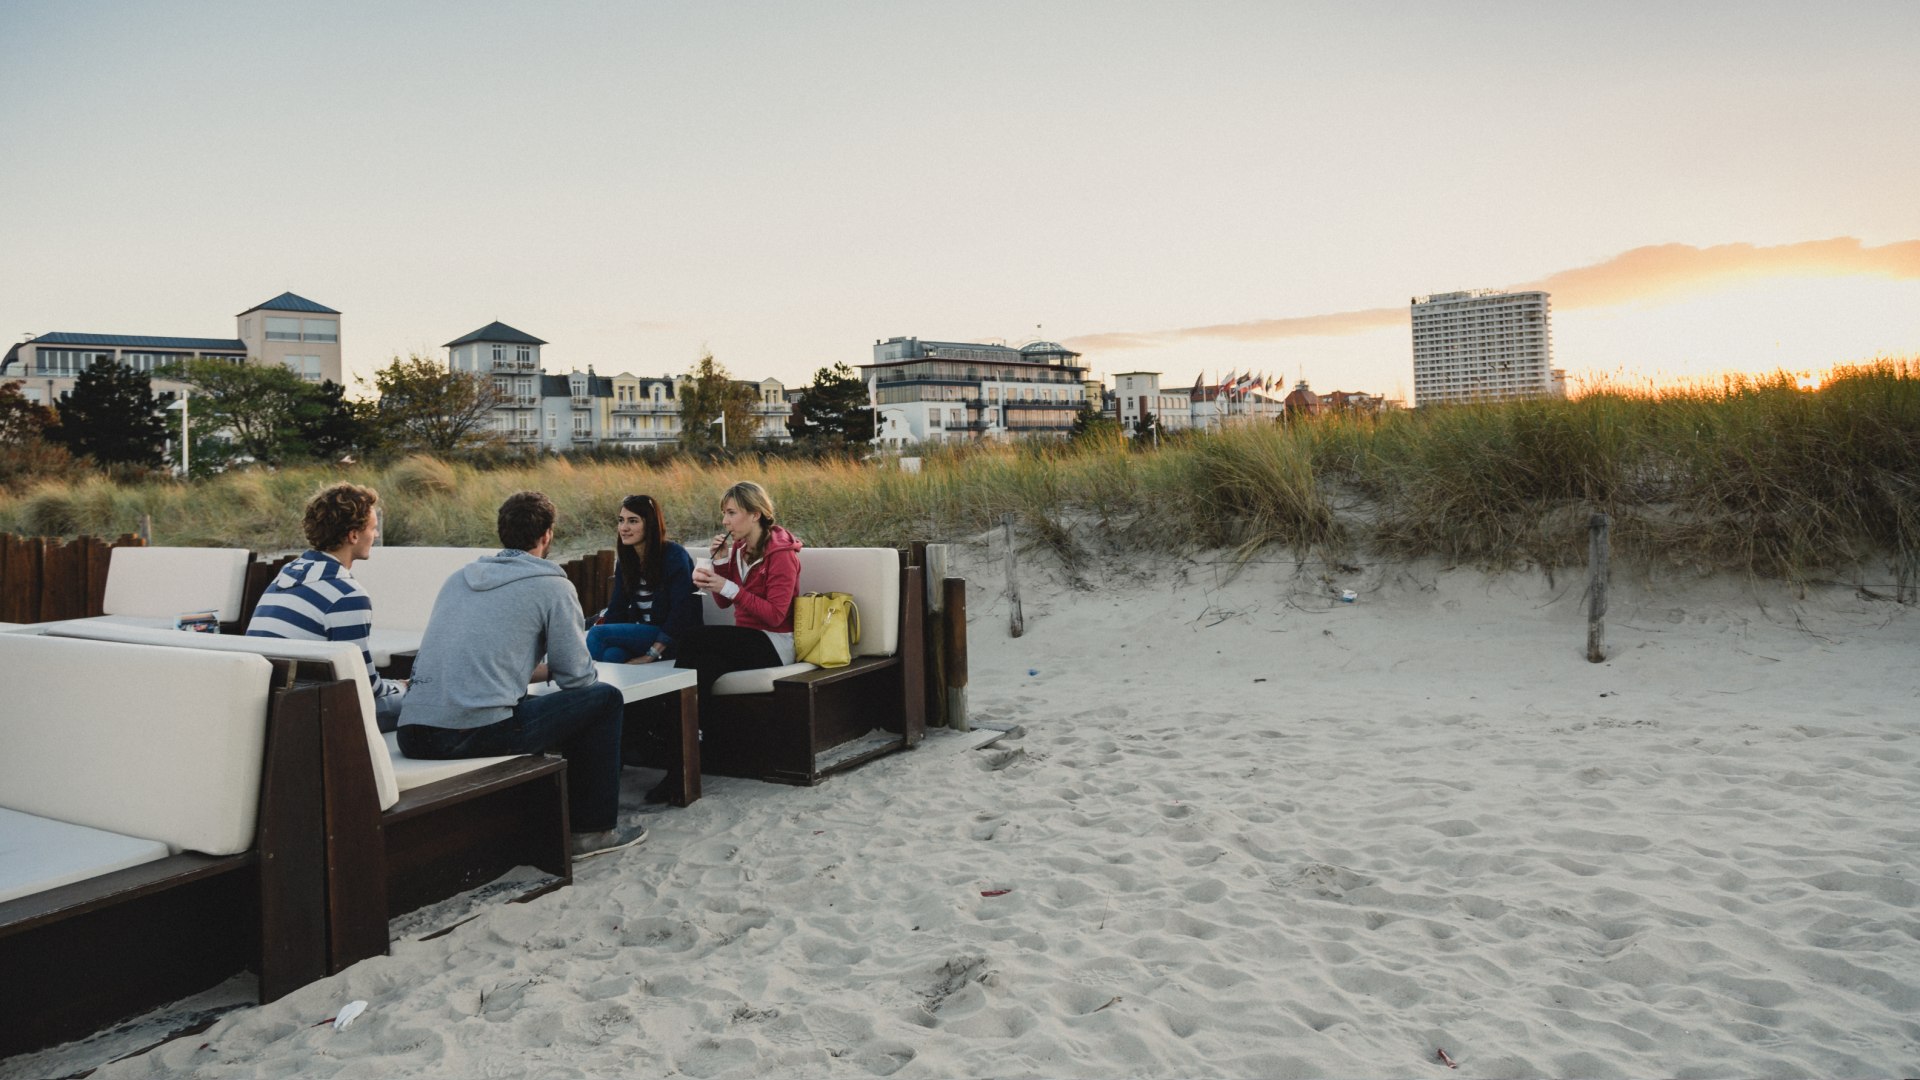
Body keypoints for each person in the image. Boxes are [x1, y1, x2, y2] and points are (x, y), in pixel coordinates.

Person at [396, 491, 644, 860]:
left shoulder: (458, 579)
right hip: (467, 733)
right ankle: (591, 830)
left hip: (413, 731)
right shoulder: (552, 586)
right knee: (605, 699)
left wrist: (535, 671)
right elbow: (578, 680)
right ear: (547, 536)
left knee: (529, 703)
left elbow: (476, 660)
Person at [247, 482, 407, 731]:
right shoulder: (347, 595)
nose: (375, 536)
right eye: (373, 529)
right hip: (314, 716)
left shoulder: (288, 573)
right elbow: (363, 687)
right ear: (353, 535)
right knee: (423, 701)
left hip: (267, 703)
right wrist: (401, 687)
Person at [586, 494, 698, 664]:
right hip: (642, 633)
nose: (624, 528)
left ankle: (586, 686)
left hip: (675, 638)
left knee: (597, 634)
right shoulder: (626, 560)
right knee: (612, 655)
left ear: (650, 524)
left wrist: (651, 654)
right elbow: (617, 609)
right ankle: (616, 691)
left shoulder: (673, 555)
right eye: (621, 520)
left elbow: (682, 612)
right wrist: (613, 630)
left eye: (633, 521)